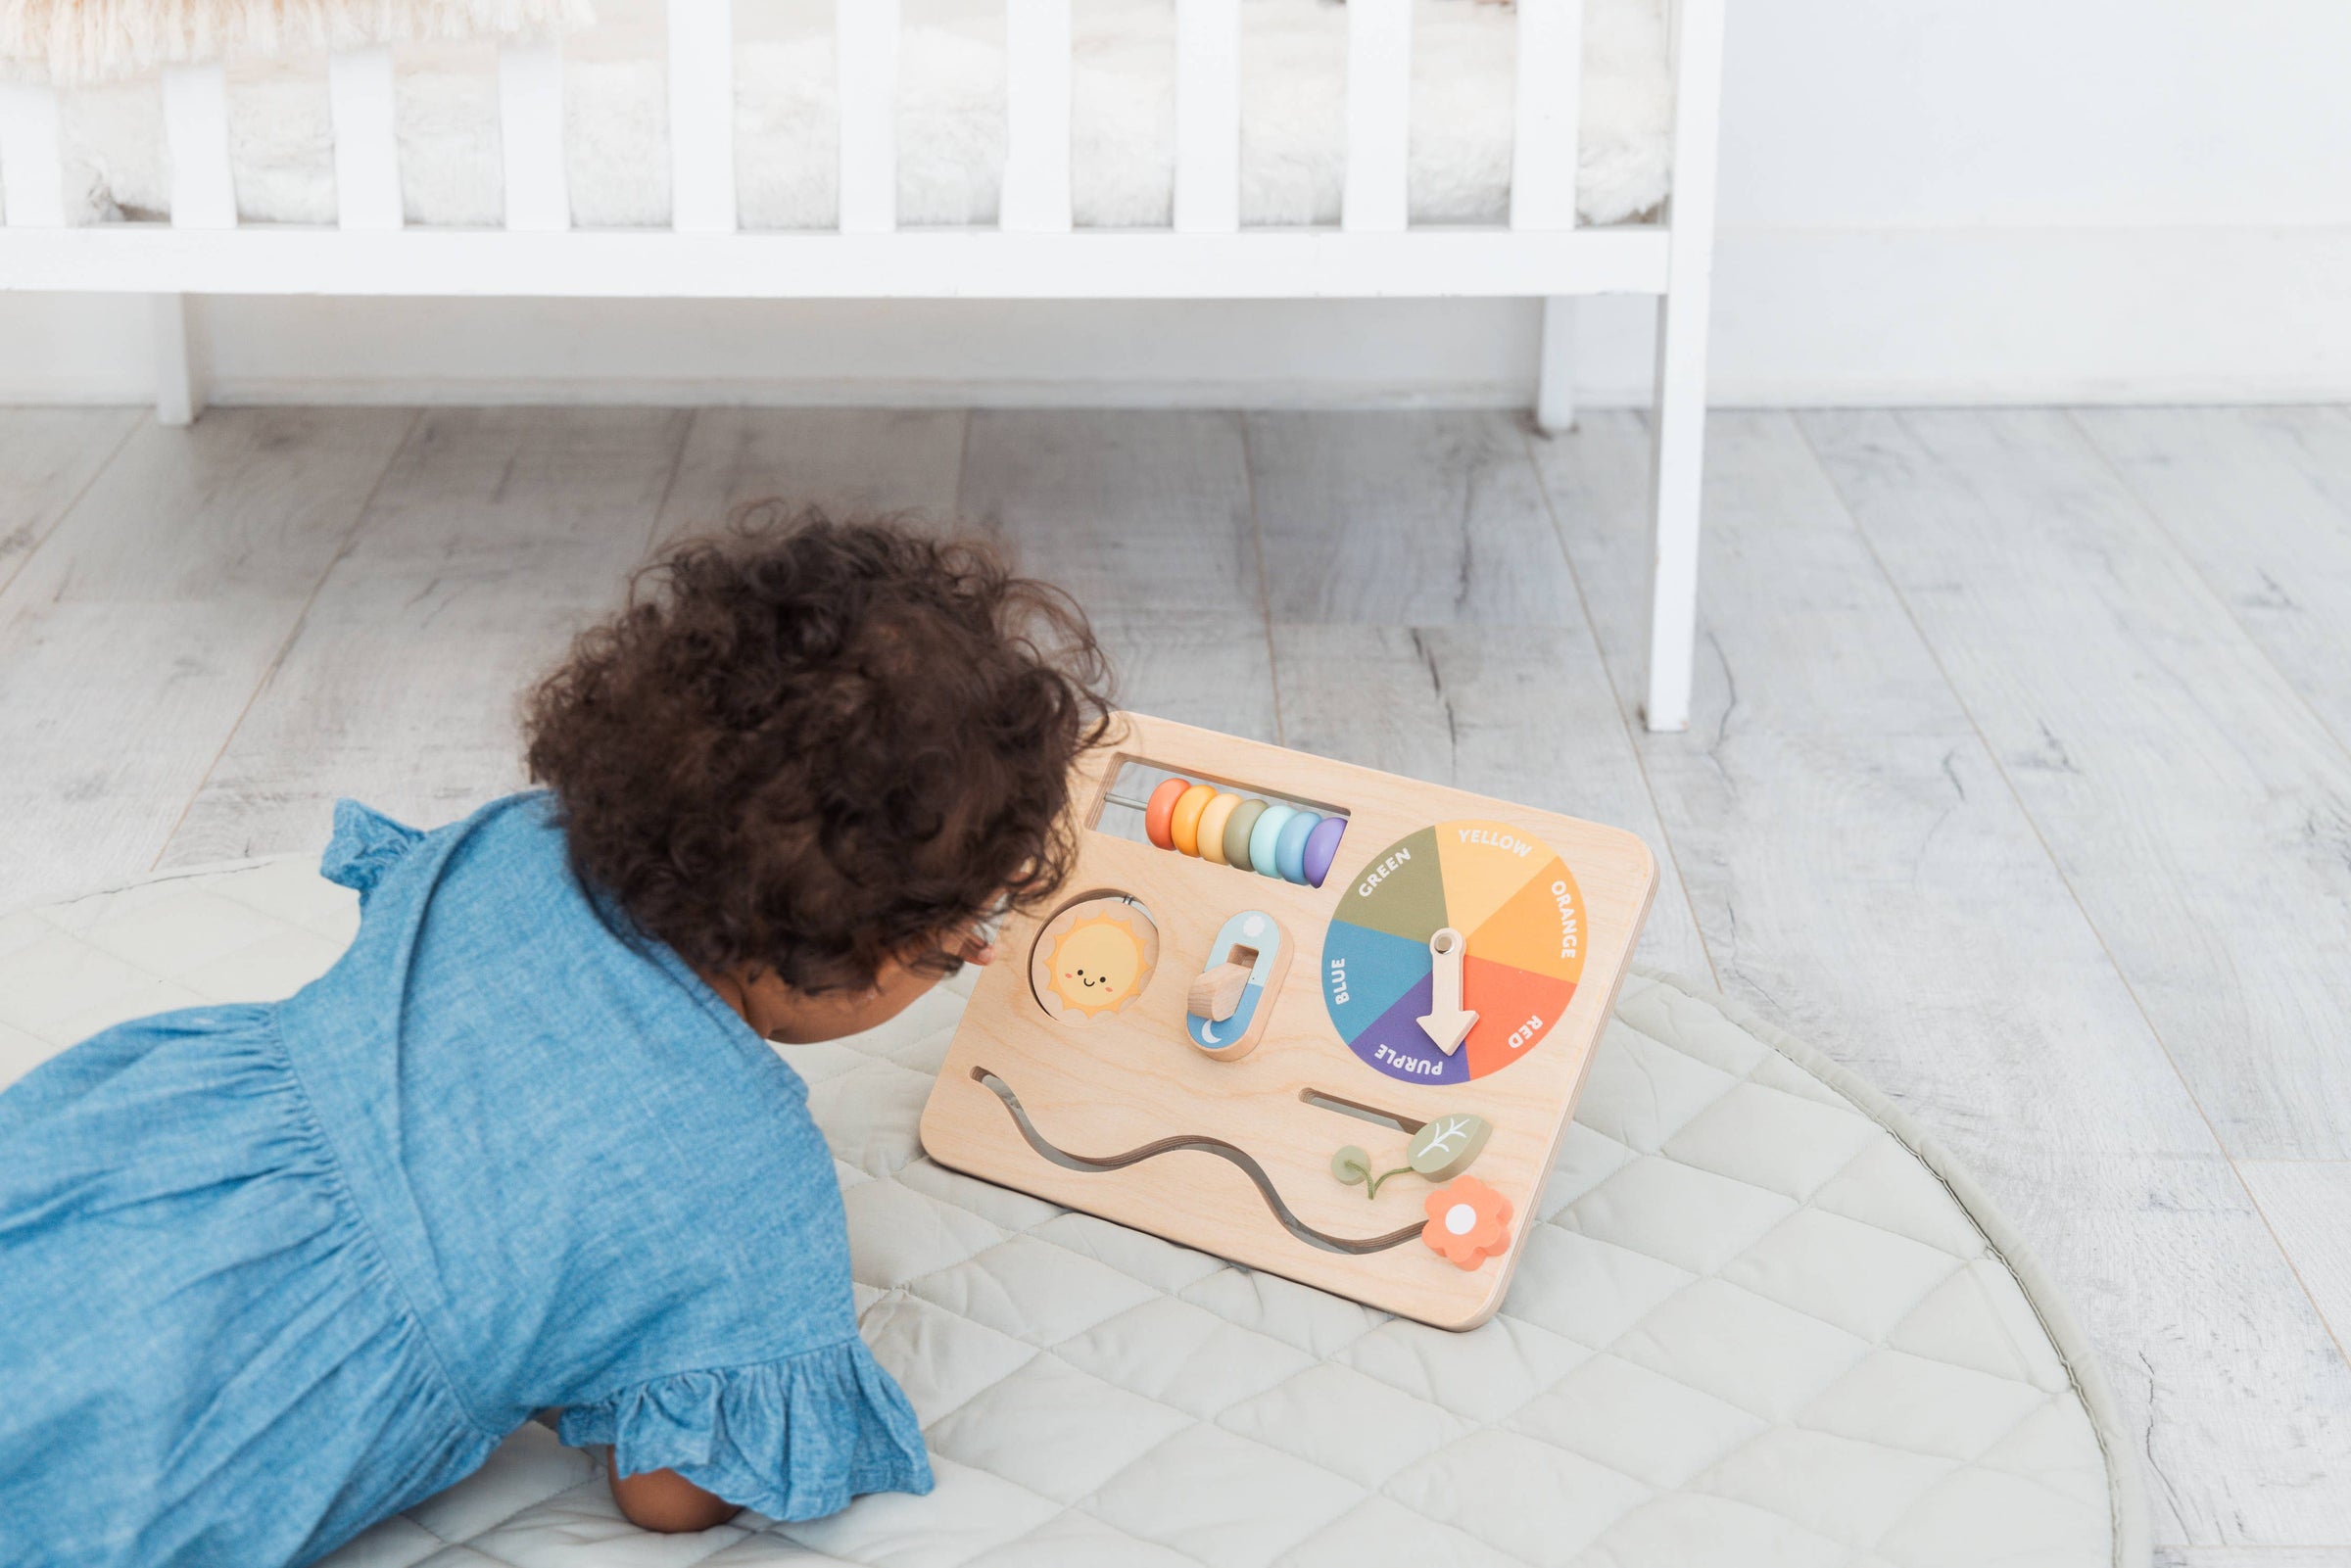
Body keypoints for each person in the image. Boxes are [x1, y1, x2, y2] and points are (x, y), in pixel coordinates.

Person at [0, 512, 1115, 1565]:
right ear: (872, 947)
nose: (966, 954)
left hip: (125, 1143)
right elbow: (672, 1494)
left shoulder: (512, 843)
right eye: (955, 941)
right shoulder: (745, 1173)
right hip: (231, 1383)